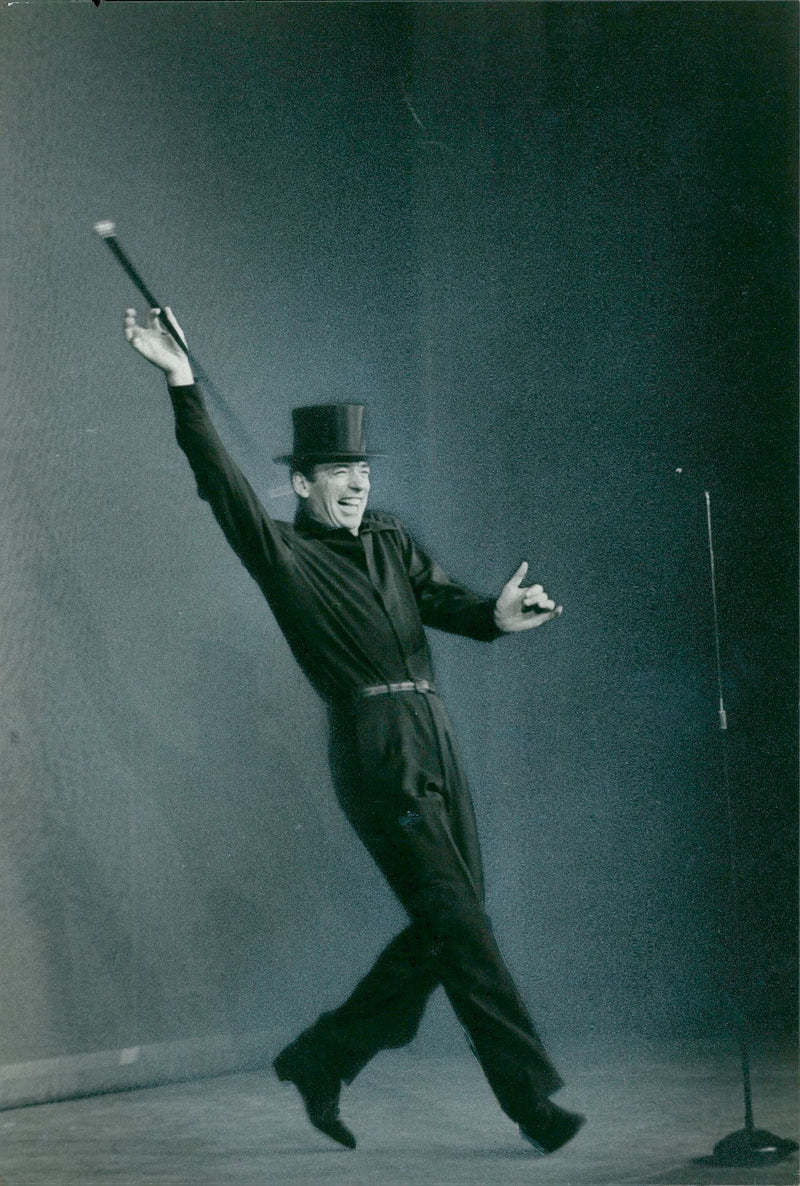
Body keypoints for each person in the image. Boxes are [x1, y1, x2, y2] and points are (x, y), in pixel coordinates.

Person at [123, 306, 585, 1156]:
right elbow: (219, 482)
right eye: (339, 470)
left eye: (362, 468)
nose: (358, 482)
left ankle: (322, 1055)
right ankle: (533, 1104)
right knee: (463, 929)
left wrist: (497, 614)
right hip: (376, 751)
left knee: (454, 921)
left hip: (434, 734)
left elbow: (447, 603)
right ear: (302, 482)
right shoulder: (285, 556)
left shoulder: (390, 540)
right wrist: (182, 382)